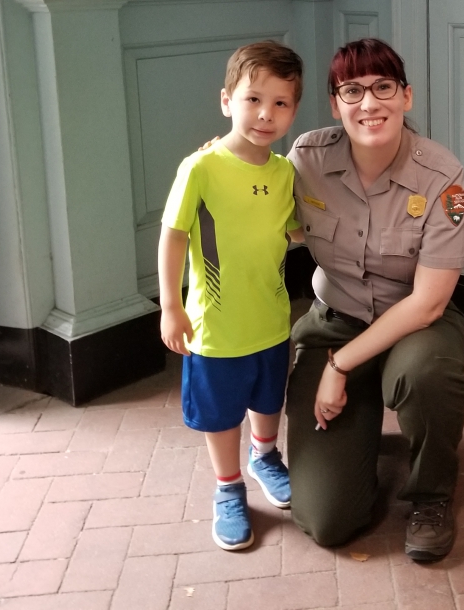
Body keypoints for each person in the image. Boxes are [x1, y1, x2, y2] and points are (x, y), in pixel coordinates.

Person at [286, 38, 464, 561]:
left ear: (406, 97)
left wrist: (339, 365)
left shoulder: (442, 178)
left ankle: (431, 495)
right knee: (327, 521)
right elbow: (271, 223)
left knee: (425, 375)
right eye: (352, 90)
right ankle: (359, 434)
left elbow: (431, 302)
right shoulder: (307, 159)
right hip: (335, 319)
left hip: (417, 323)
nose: (369, 104)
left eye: (383, 87)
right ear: (335, 103)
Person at [157, 41, 306, 551]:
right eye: (253, 99)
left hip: (271, 319)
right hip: (214, 328)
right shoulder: (199, 168)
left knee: (269, 399)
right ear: (227, 101)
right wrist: (171, 307)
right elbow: (173, 236)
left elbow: (295, 232)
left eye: (281, 103)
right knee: (221, 414)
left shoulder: (286, 173)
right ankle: (228, 488)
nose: (266, 114)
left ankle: (265, 457)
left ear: (294, 110)